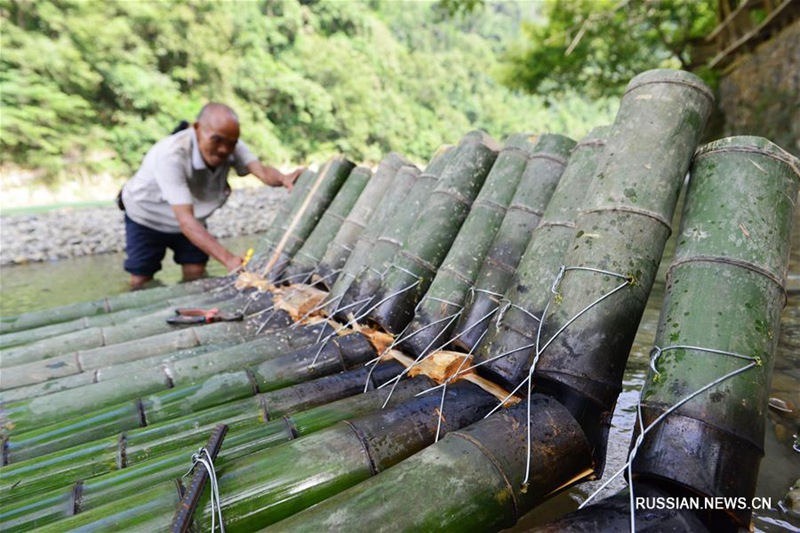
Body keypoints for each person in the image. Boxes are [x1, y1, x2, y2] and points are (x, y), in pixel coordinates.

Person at [120, 102, 302, 290]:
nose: (224, 149)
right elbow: (186, 221)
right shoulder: (172, 154)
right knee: (141, 277)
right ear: (197, 128)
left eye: (230, 143)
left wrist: (283, 178)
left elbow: (262, 172)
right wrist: (229, 260)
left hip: (192, 218)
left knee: (196, 270)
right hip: (148, 217)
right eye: (217, 140)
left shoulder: (232, 145)